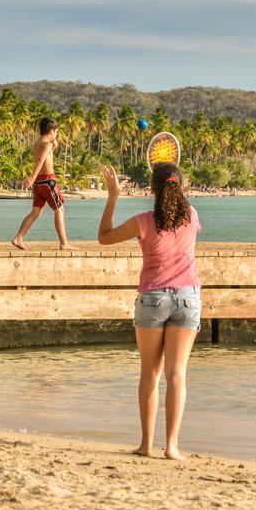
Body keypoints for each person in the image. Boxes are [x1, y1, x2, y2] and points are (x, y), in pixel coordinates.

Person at [97, 163, 201, 461]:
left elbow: (104, 236)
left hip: (152, 299)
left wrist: (113, 196)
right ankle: (172, 447)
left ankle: (145, 444)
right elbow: (178, 206)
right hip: (187, 299)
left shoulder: (143, 221)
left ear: (152, 190)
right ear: (180, 188)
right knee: (177, 374)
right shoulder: (192, 216)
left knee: (150, 374)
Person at [12, 117, 77, 251]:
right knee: (59, 209)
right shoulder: (47, 145)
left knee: (36, 212)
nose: (57, 134)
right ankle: (64, 243)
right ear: (51, 131)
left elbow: (46, 156)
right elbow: (41, 161)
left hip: (39, 183)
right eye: (56, 131)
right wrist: (31, 178)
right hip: (48, 181)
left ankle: (19, 237)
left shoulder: (38, 143)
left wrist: (54, 146)